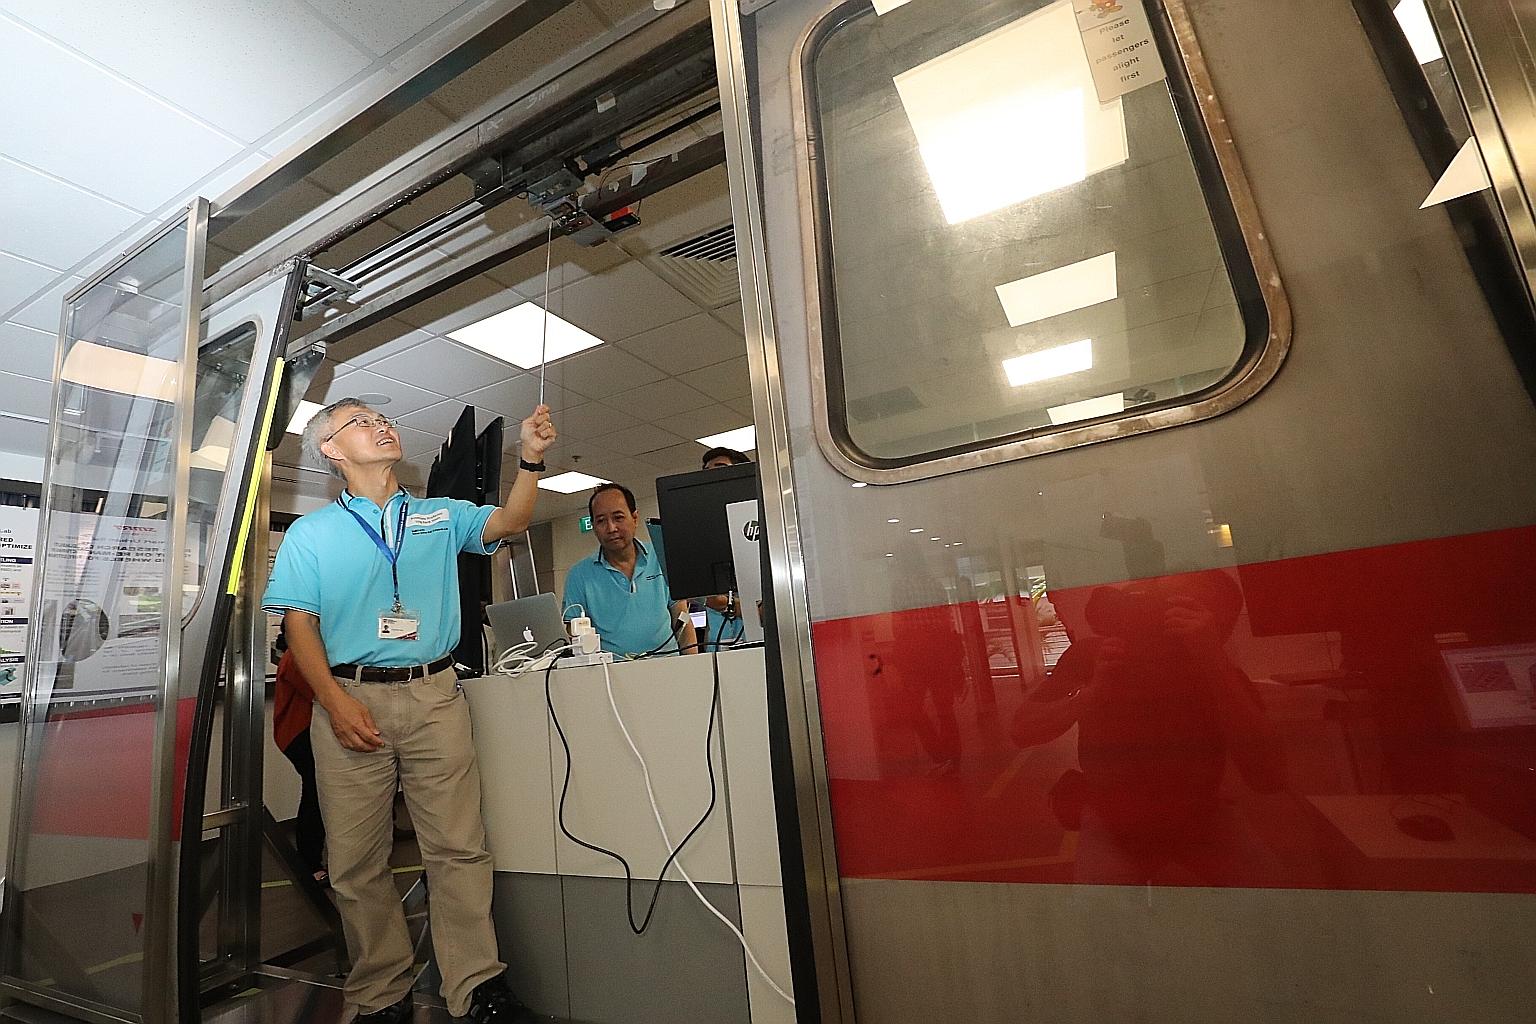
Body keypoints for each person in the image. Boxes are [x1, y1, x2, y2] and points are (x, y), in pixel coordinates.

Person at [262, 397, 556, 1024]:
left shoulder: (437, 516)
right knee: (355, 862)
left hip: (434, 696)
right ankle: (380, 994)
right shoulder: (311, 534)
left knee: (458, 847)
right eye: (362, 421)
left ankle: (475, 986)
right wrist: (334, 702)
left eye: (383, 417)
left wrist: (529, 460)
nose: (383, 424)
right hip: (349, 698)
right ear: (331, 450)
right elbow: (298, 622)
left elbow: (507, 523)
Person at [563, 482, 697, 657]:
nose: (611, 528)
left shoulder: (661, 557)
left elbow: (682, 619)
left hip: (668, 668)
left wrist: (695, 666)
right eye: (601, 521)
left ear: (634, 518)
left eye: (618, 518)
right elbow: (572, 633)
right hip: (610, 675)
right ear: (594, 527)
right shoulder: (579, 575)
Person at [272, 626, 326, 883]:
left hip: (300, 733)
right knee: (315, 794)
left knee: (317, 792)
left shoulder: (295, 656)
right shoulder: (297, 658)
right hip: (300, 733)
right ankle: (309, 862)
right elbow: (319, 693)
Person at [697, 447, 751, 650]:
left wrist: (731, 606)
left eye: (719, 469)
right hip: (718, 648)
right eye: (706, 472)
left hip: (760, 644)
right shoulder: (702, 535)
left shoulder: (757, 526)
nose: (711, 477)